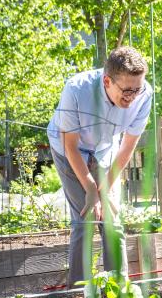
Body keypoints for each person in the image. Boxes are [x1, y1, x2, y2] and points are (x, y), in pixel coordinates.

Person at [47, 46, 152, 284]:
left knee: (111, 219)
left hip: (106, 147)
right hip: (68, 149)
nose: (132, 97)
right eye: (126, 91)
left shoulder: (144, 94)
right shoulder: (76, 90)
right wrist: (91, 188)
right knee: (85, 220)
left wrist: (105, 188)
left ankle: (120, 290)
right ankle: (77, 295)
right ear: (107, 81)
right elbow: (70, 147)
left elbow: (127, 147)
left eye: (137, 89)